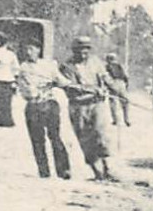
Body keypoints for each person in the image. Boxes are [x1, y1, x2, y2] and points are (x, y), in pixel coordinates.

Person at [15, 41, 71, 180]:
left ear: (38, 50)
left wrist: (60, 83)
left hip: (50, 105)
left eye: (32, 49)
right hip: (33, 106)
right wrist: (38, 89)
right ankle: (44, 171)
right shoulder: (22, 67)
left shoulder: (49, 65)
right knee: (37, 140)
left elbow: (62, 81)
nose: (29, 52)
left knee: (55, 137)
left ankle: (64, 170)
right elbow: (26, 90)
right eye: (26, 49)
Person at [62, 37, 115, 181]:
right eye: (80, 53)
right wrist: (92, 91)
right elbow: (71, 91)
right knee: (86, 140)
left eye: (86, 52)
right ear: (74, 52)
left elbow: (106, 78)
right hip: (78, 107)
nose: (83, 56)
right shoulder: (67, 67)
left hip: (97, 105)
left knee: (101, 136)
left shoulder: (96, 62)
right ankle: (97, 172)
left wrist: (112, 88)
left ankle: (108, 169)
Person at [104, 53, 130, 127]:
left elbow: (105, 77)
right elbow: (126, 76)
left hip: (113, 83)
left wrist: (107, 86)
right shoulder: (120, 65)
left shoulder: (107, 67)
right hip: (121, 84)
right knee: (125, 102)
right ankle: (126, 119)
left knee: (113, 103)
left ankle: (116, 120)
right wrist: (126, 85)